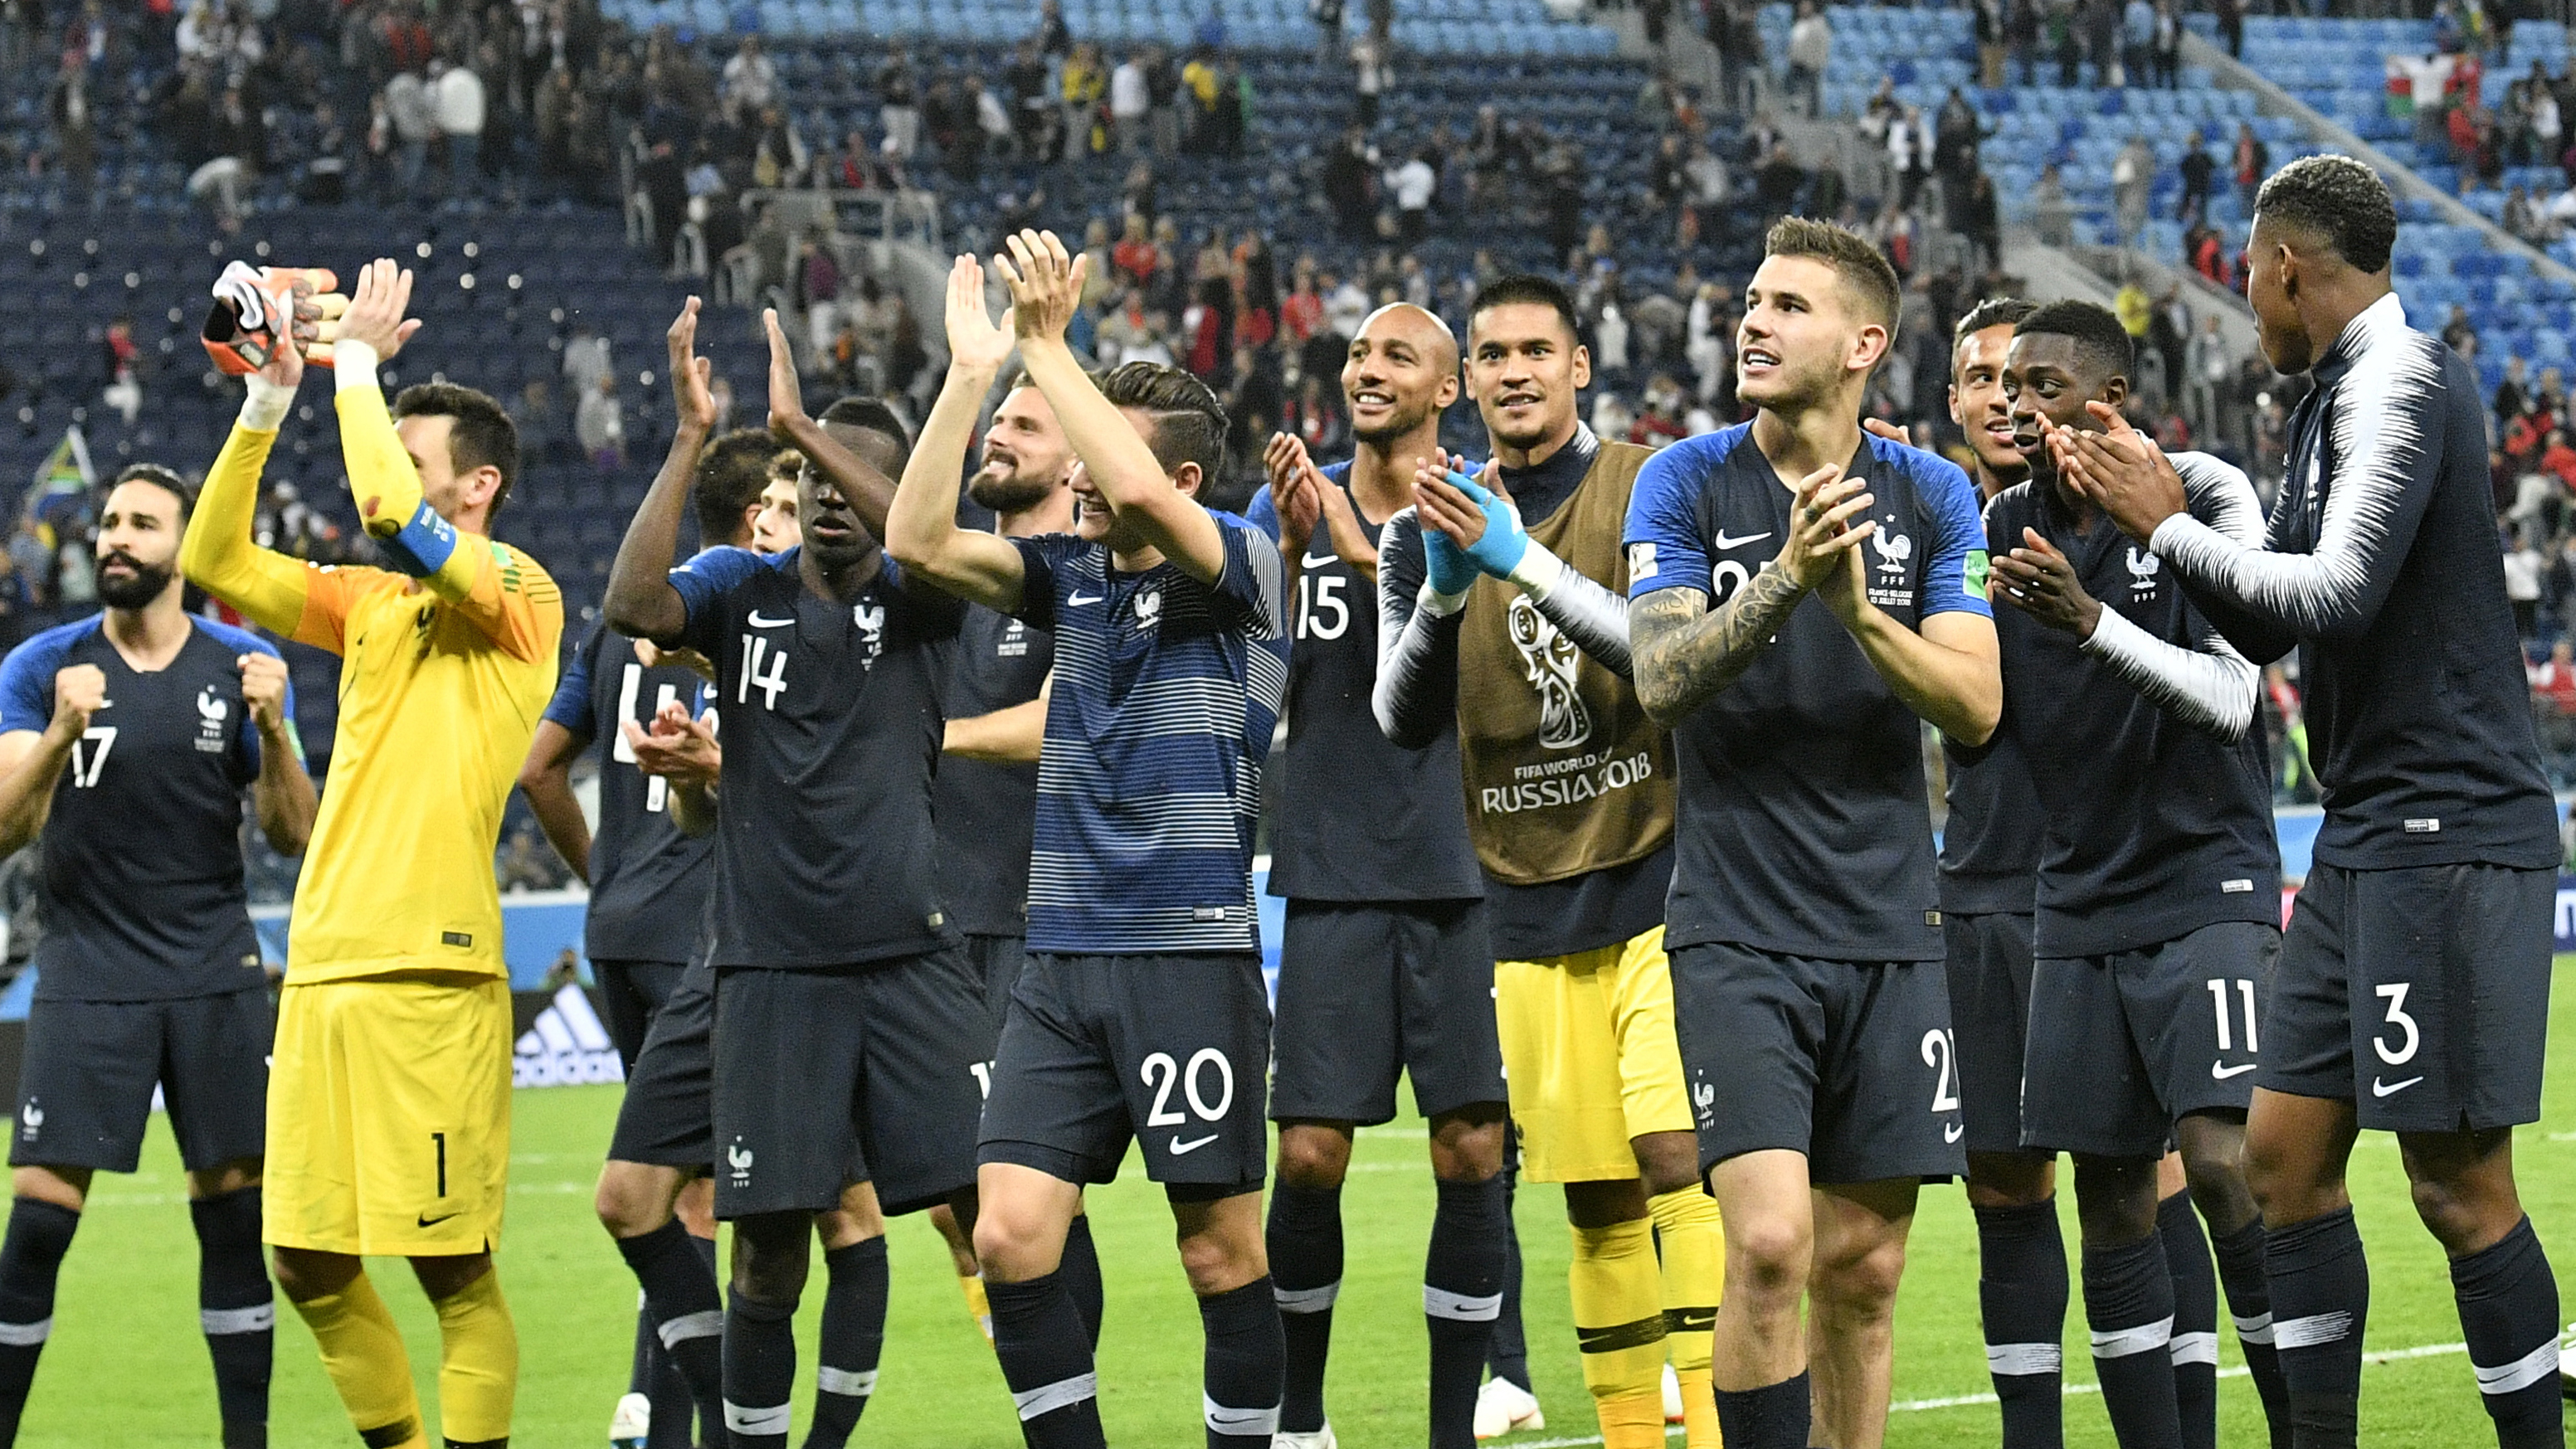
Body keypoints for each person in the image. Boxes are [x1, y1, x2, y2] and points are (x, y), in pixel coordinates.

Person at [2062, 153, 2565, 1449]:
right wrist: (2163, 509)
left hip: (2446, 828)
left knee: (2458, 1183)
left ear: (2289, 263)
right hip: (2367, 835)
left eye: (2246, 269)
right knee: (2283, 1164)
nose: (2244, 297)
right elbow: (2273, 624)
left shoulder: (2401, 377)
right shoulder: (2334, 393)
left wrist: (2169, 524)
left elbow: (2331, 595)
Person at [884, 236, 1290, 1449]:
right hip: (1061, 957)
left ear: (1162, 462)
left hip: (1186, 951)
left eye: (1099, 431)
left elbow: (1159, 505)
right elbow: (916, 541)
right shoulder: (1071, 575)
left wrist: (1051, 347)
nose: (1079, 457)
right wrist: (973, 374)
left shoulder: (1241, 561)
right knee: (1009, 1232)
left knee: (1218, 1249)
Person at [1624, 217, 2000, 1449]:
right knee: (1773, 1240)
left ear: (1862, 345)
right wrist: (1787, 578)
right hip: (1737, 925)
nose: (1752, 319)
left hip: (1891, 925)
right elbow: (1661, 680)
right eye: (1751, 298)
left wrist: (1858, 614)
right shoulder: (1681, 480)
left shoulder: (1933, 494)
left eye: (1787, 304)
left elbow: (1977, 703)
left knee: (1865, 1269)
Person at [179, 258, 564, 1449]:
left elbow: (394, 507)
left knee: (451, 1271)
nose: (389, 453)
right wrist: (265, 403)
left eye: (411, 439)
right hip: (327, 965)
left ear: (480, 482)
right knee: (301, 1257)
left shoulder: (518, 593)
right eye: (385, 433)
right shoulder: (370, 605)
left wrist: (355, 368)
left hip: (432, 977)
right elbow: (216, 565)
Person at [601, 304, 996, 1449]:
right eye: (809, 470)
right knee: (766, 1249)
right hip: (771, 967)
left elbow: (919, 539)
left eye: (850, 473)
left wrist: (809, 432)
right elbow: (634, 605)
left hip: (914, 955)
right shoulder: (739, 587)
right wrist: (688, 437)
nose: (825, 491)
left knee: (996, 1224)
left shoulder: (921, 598)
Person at [1373, 273, 1722, 1449]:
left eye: (1537, 349)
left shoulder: (1654, 486)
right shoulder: (1417, 522)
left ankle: (1719, 1423)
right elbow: (1399, 718)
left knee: (1679, 1155)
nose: (1514, 371)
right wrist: (1439, 591)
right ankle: (1633, 1433)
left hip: (1664, 870)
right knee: (1594, 1197)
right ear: (1466, 380)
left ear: (1581, 364)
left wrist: (1518, 563)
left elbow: (1669, 659)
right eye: (1492, 354)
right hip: (1522, 894)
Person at [1989, 299, 2292, 1449]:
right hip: (2075, 888)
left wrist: (2091, 623)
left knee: (2224, 1157)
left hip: (2203, 871)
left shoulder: (2201, 489)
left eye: (2044, 385)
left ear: (2108, 400)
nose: (2018, 402)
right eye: (2008, 383)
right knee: (2108, 1186)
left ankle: (2299, 1427)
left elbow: (2235, 692)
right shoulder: (1995, 523)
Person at [0, 464, 315, 1448]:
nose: (114, 540)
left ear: (183, 547)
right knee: (41, 1222)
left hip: (214, 971)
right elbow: (5, 827)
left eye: (141, 524)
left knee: (231, 1221)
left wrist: (273, 729)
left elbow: (295, 833)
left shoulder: (245, 664)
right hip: (87, 969)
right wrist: (58, 732)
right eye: (107, 524)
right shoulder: (41, 665)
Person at [1244, 304, 1511, 1449]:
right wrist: (1295, 554)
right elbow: (1257, 677)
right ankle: (1300, 1413)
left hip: (1464, 868)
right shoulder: (1284, 509)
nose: (1366, 368)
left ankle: (1455, 1423)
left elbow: (1491, 667)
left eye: (1397, 354)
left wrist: (1361, 549)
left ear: (1445, 386)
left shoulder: (1479, 509)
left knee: (1472, 1148)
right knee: (1307, 1153)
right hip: (1334, 864)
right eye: (1357, 352)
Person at [518, 407, 772, 1449]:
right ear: (761, 520)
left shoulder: (621, 624)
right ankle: (679, 1421)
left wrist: (609, 875)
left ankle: (645, 1399)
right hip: (704, 929)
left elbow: (537, 770)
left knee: (657, 1182)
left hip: (619, 929)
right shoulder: (750, 620)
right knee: (698, 1194)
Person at [918, 364, 1079, 1344]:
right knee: (948, 1193)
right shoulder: (954, 584)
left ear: (1076, 454)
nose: (999, 435)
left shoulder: (1085, 572)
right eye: (997, 418)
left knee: (1032, 1199)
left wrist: (931, 735)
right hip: (939, 917)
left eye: (1024, 422)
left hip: (1034, 920)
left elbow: (1067, 721)